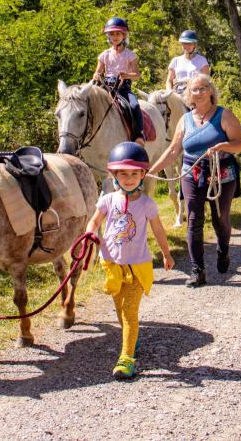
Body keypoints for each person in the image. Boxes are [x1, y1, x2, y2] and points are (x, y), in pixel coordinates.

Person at [85, 142, 175, 380]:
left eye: (134, 173)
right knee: (118, 308)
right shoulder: (107, 200)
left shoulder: (147, 204)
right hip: (113, 265)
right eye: (123, 173)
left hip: (137, 266)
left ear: (143, 175)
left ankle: (126, 358)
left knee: (128, 310)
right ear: (113, 174)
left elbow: (158, 231)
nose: (128, 178)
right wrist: (92, 232)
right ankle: (130, 338)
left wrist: (166, 253)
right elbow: (94, 222)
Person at [147, 73, 241, 288]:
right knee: (193, 219)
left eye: (202, 88)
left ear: (210, 91)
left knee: (221, 219)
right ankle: (197, 271)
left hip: (221, 174)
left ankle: (223, 250)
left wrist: (223, 147)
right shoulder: (185, 120)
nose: (198, 93)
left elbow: (240, 144)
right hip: (191, 172)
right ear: (188, 94)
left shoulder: (224, 116)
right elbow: (173, 150)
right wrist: (150, 171)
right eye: (194, 89)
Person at [92, 16, 144, 144]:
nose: (115, 37)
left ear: (124, 35)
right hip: (106, 87)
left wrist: (126, 75)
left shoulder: (130, 55)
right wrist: (97, 75)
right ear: (108, 37)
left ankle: (138, 135)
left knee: (134, 105)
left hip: (123, 88)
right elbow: (96, 72)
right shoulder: (104, 54)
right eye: (112, 34)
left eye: (118, 34)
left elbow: (137, 74)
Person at [166, 30, 211, 99]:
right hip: (178, 92)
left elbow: (206, 81)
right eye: (184, 43)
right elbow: (169, 80)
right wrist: (170, 92)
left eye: (189, 43)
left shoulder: (202, 60)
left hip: (195, 92)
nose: (186, 46)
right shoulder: (175, 61)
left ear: (194, 45)